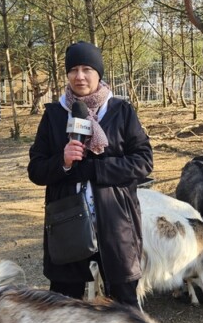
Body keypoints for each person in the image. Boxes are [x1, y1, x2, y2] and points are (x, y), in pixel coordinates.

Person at [28, 41, 153, 306]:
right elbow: (36, 170)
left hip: (116, 221)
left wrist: (95, 169)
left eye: (87, 69)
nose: (80, 76)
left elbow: (143, 162)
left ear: (99, 73)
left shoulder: (121, 112)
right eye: (73, 69)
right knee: (64, 307)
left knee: (124, 306)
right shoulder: (54, 115)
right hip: (66, 222)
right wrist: (62, 161)